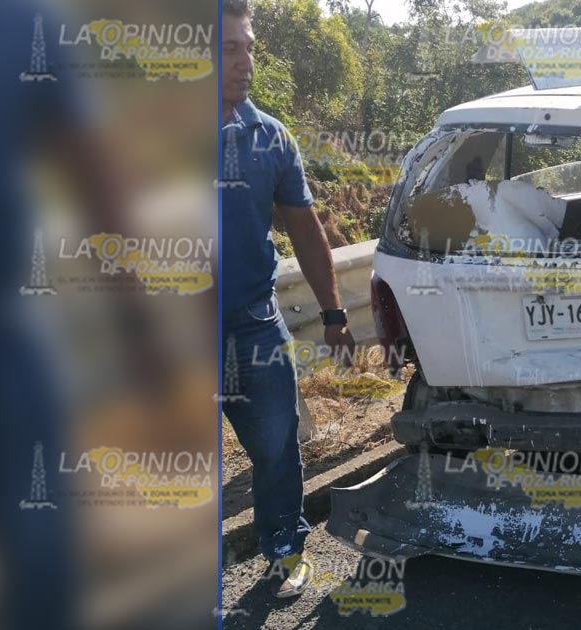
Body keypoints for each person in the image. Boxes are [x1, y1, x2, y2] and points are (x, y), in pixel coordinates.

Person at [220, 0, 355, 598]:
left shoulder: (268, 136)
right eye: (228, 48)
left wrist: (333, 313)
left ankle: (283, 549)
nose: (244, 61)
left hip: (254, 326)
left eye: (248, 46)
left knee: (277, 447)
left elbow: (305, 229)